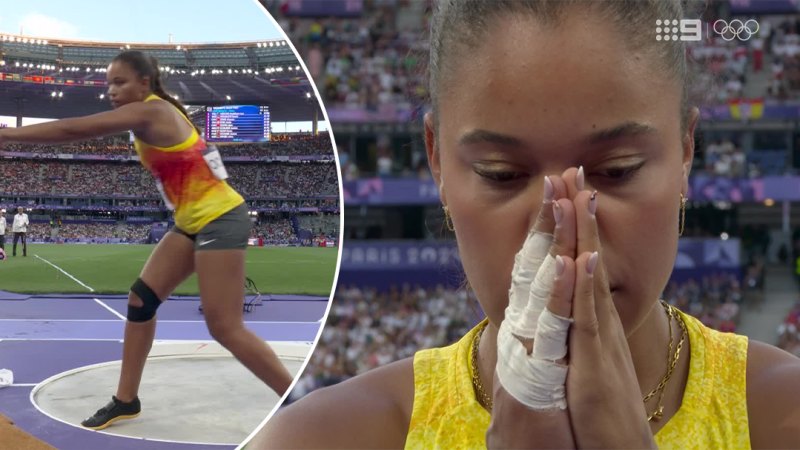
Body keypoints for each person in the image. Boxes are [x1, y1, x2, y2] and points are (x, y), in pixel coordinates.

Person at [252, 1, 800, 448]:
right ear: (438, 162)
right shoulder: (327, 438)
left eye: (616, 171)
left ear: (685, 151)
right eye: (502, 174)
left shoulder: (781, 416)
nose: (561, 231)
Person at [0, 50, 294, 430]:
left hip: (220, 218)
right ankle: (126, 400)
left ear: (145, 83)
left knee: (224, 326)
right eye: (108, 83)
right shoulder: (158, 114)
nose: (111, 90)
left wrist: (7, 135)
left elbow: (75, 129)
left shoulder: (152, 112)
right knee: (141, 300)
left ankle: (300, 399)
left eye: (119, 82)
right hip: (191, 221)